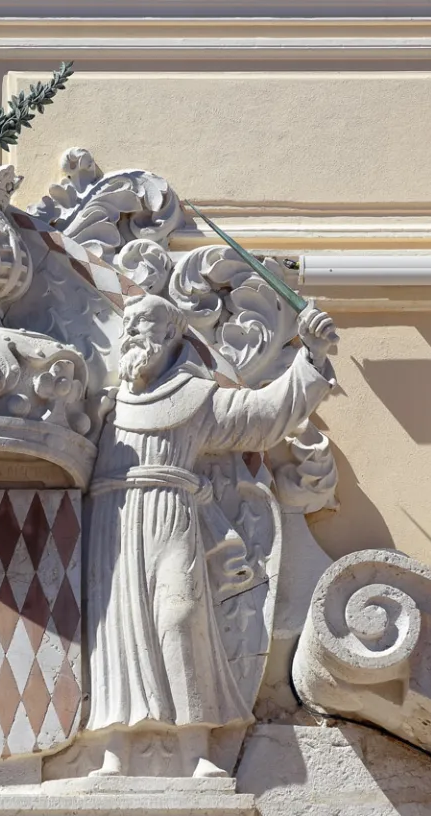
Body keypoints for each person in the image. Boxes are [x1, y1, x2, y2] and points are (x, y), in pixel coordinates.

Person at [86, 293, 337, 777]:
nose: (133, 331)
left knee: (181, 620)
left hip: (171, 515)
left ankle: (198, 747)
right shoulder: (107, 407)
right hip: (112, 523)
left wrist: (311, 357)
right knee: (116, 632)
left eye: (146, 323)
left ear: (170, 335)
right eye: (129, 323)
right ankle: (114, 752)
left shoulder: (194, 398)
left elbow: (261, 417)